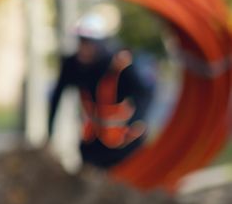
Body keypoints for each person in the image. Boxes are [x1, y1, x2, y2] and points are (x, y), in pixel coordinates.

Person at [47, 12, 156, 169]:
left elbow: (146, 92)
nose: (84, 47)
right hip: (92, 142)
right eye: (81, 41)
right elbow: (57, 96)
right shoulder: (72, 65)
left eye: (89, 42)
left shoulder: (120, 65)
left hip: (124, 143)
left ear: (100, 43)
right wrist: (50, 134)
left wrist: (137, 121)